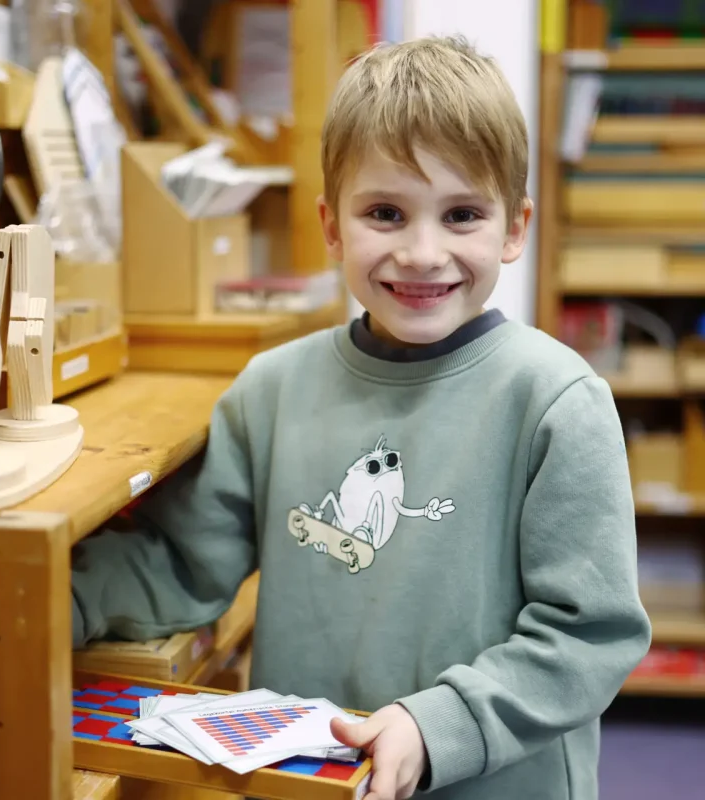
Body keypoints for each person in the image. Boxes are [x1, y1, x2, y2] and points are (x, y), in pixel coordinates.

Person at [71, 36, 651, 799]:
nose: (421, 251)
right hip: (317, 781)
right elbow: (183, 566)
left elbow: (590, 635)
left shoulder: (556, 401)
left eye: (462, 215)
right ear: (333, 225)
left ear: (514, 228)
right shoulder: (272, 389)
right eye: (385, 212)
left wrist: (435, 724)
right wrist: (51, 608)